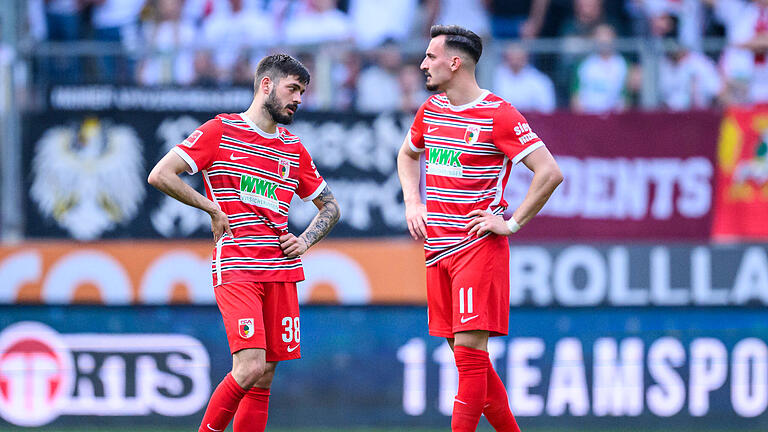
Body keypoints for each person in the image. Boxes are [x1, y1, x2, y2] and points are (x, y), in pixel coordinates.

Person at [147, 54, 340, 432]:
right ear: (266, 85)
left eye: (302, 91)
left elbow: (331, 206)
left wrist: (304, 241)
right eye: (292, 88)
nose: (298, 98)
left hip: (281, 270)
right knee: (249, 365)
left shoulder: (293, 147)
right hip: (238, 264)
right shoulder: (221, 130)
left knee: (264, 375)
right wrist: (211, 208)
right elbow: (161, 174)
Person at [397, 25, 563, 432]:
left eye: (431, 57)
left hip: (475, 247)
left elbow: (549, 172)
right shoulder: (431, 110)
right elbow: (407, 154)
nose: (423, 64)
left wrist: (511, 222)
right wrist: (413, 202)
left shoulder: (498, 114)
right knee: (470, 361)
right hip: (436, 249)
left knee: (470, 357)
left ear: (455, 63)